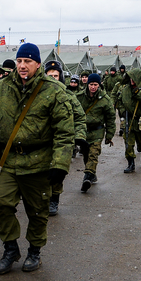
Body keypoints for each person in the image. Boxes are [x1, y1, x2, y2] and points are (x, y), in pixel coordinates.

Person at [0, 43, 73, 274]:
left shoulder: (54, 91)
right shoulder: (1, 88)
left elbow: (64, 131)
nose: (22, 66)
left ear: (38, 64)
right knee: (1, 203)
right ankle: (10, 248)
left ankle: (34, 251)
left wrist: (60, 164)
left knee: (38, 210)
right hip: (8, 161)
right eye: (19, 61)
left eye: (28, 62)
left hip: (39, 161)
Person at [44, 61, 87, 214]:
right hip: (41, 141)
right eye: (50, 75)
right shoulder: (36, 95)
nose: (53, 78)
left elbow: (80, 117)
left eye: (56, 76)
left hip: (61, 142)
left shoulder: (68, 95)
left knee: (57, 171)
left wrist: (80, 136)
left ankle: (54, 200)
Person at [76, 73, 115, 192]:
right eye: (91, 84)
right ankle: (92, 173)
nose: (93, 87)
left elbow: (110, 118)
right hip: (83, 131)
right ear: (87, 84)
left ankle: (87, 177)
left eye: (96, 85)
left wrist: (109, 135)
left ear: (99, 85)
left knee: (94, 153)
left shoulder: (105, 99)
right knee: (86, 154)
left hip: (97, 131)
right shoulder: (79, 97)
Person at [113, 68, 141, 173]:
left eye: (133, 78)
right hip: (129, 120)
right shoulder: (125, 89)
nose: (131, 80)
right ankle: (131, 163)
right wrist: (122, 111)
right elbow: (120, 101)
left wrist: (138, 93)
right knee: (128, 143)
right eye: (130, 78)